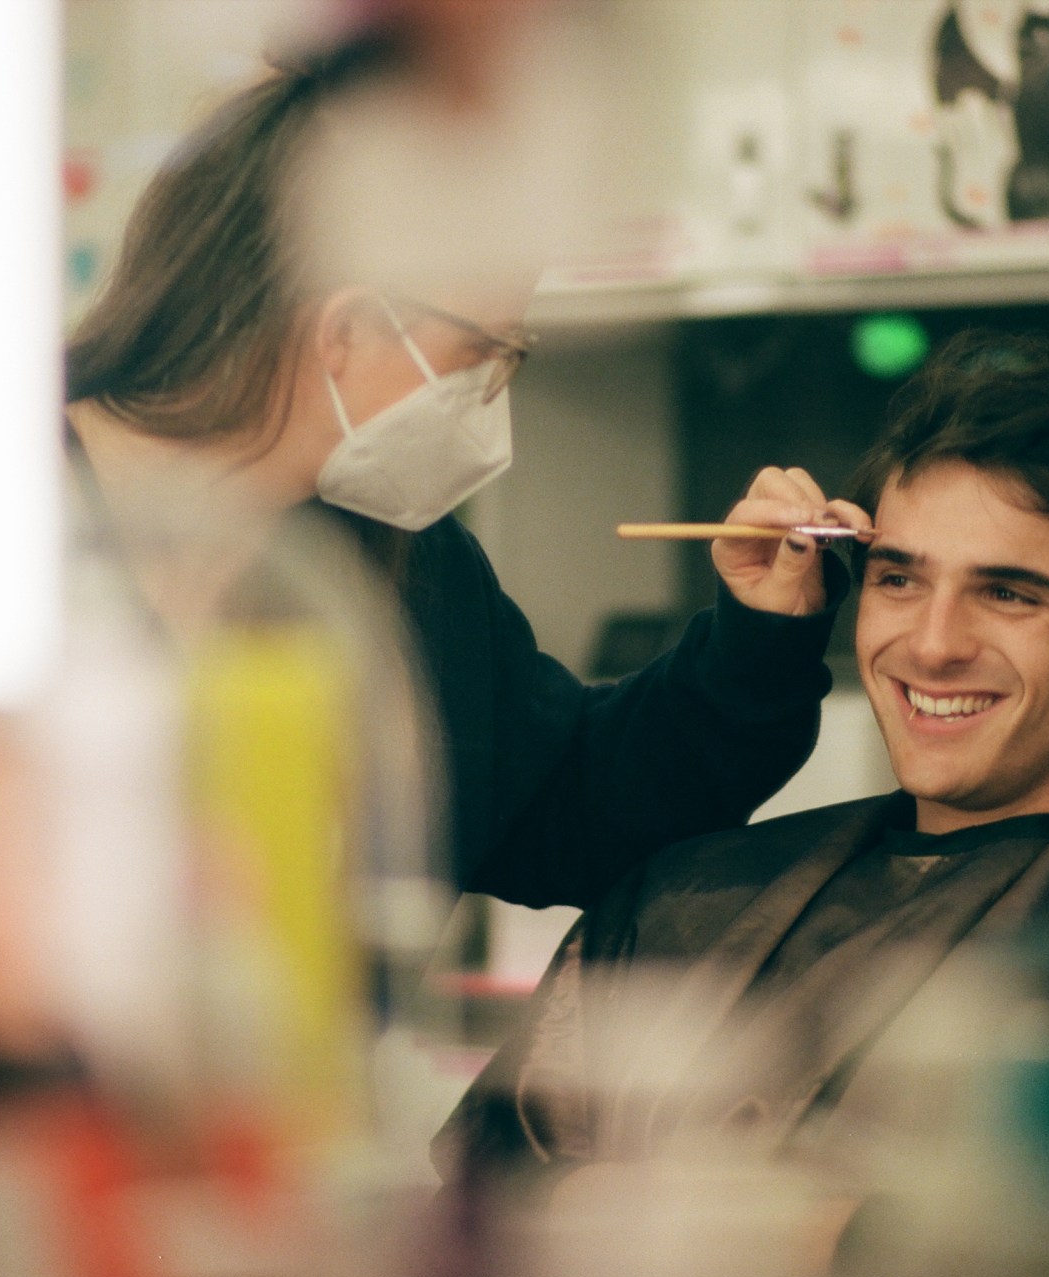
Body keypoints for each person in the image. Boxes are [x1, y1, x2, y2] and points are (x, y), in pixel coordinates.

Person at [440, 330, 1049, 1182]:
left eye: (1008, 592)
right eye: (896, 579)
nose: (930, 643)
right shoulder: (678, 903)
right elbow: (473, 1235)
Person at [58, 31, 870, 913]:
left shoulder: (401, 567)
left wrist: (755, 640)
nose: (493, 402)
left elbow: (570, 802)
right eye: (482, 352)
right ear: (348, 331)